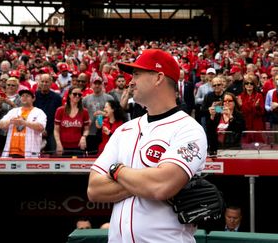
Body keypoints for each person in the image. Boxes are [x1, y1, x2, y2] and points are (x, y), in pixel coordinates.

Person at [87, 49, 207, 243]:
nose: (130, 81)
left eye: (137, 74)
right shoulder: (125, 129)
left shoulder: (189, 129)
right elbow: (94, 189)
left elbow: (161, 186)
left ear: (159, 77)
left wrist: (117, 171)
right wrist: (146, 181)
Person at [0, 88, 47, 158]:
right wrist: (10, 121)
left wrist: (24, 122)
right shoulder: (13, 111)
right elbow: (0, 125)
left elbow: (41, 127)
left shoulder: (39, 112)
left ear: (33, 99)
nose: (24, 98)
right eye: (22, 96)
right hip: (11, 151)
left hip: (29, 153)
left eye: (27, 96)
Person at [54, 86, 90, 157]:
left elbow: (86, 129)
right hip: (63, 146)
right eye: (74, 94)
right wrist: (58, 143)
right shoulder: (60, 110)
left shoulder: (84, 111)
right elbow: (56, 130)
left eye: (79, 95)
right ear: (69, 95)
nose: (77, 96)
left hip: (78, 147)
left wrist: (84, 137)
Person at [82, 76, 114, 155]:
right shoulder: (85, 99)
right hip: (90, 132)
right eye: (95, 83)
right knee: (90, 155)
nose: (97, 86)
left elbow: (115, 114)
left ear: (102, 85)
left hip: (105, 132)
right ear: (91, 85)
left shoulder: (109, 98)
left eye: (99, 83)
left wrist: (104, 114)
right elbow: (82, 115)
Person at [33, 74, 62, 155]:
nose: (44, 84)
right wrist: (40, 129)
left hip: (52, 130)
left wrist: (47, 130)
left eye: (47, 82)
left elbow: (58, 117)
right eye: (42, 81)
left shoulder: (57, 98)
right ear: (38, 82)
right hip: (36, 129)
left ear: (51, 83)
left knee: (54, 152)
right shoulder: (34, 96)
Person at [238, 75, 265, 143]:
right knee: (246, 145)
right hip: (246, 124)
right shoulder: (240, 96)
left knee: (259, 144)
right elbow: (241, 112)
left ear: (254, 85)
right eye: (247, 83)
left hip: (256, 124)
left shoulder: (259, 96)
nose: (249, 85)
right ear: (244, 85)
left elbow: (262, 112)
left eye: (251, 83)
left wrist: (257, 107)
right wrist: (252, 107)